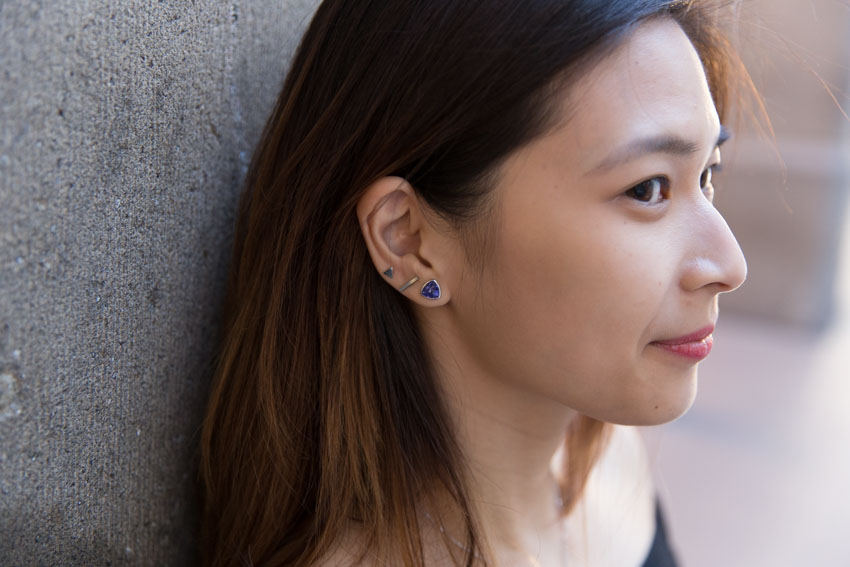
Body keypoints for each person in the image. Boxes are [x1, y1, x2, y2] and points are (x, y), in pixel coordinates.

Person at [199, 1, 753, 565]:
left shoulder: (609, 466)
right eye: (647, 189)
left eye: (707, 174)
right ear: (409, 241)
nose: (730, 265)